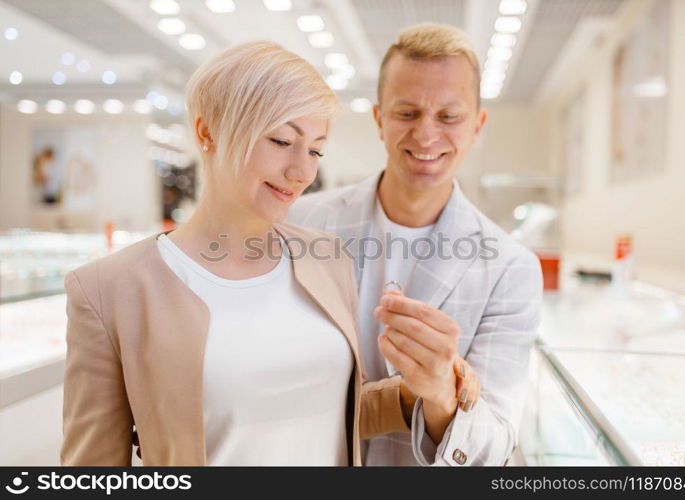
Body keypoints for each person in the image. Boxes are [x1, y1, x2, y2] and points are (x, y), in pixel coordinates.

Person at [60, 41, 464, 466]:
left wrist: (419, 386)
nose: (303, 172)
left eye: (315, 149)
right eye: (281, 140)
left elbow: (328, 409)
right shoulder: (108, 291)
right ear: (207, 131)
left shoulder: (327, 258)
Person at [288, 23, 544, 466]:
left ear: (477, 124)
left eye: (449, 116)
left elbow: (495, 447)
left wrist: (442, 395)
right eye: (407, 113)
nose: (426, 136)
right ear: (379, 120)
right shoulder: (301, 223)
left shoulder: (510, 267)